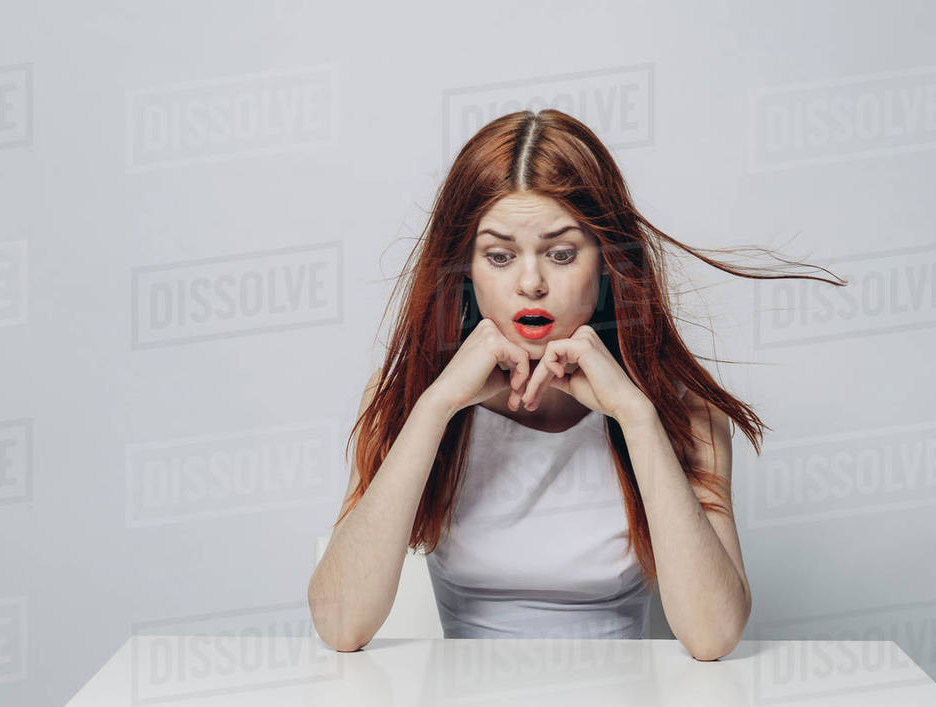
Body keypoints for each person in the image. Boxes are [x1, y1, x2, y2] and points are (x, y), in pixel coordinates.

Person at [308, 108, 845, 660]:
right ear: (465, 269)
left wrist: (636, 417)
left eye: (562, 254)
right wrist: (436, 405)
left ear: (606, 263)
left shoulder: (686, 410)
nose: (531, 282)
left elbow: (712, 638)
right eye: (499, 256)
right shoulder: (405, 398)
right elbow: (341, 625)